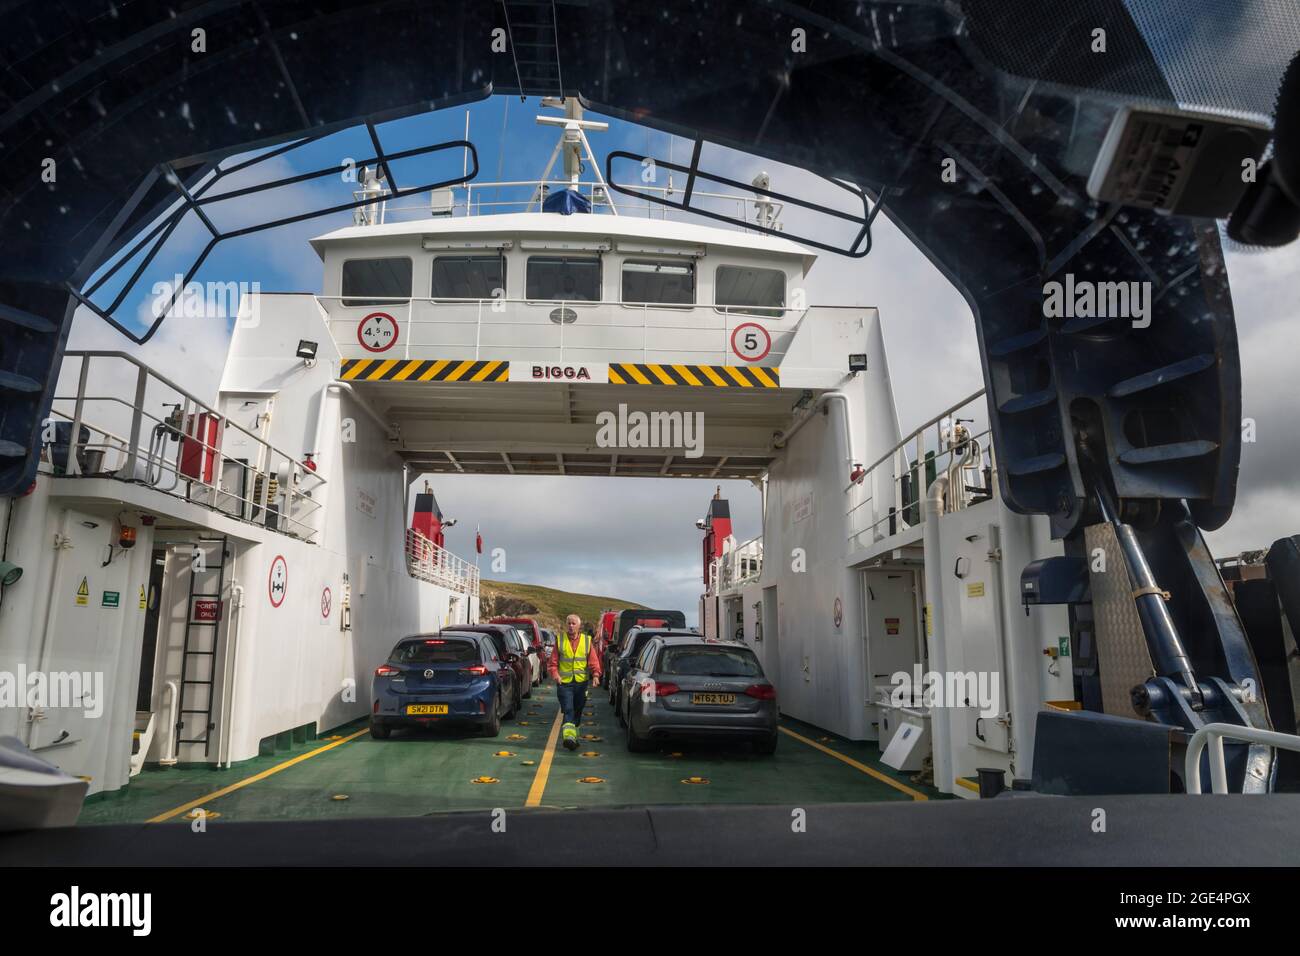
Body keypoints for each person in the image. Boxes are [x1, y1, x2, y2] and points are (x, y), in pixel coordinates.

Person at [548, 613, 601, 750]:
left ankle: (574, 738)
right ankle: (568, 738)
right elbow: (552, 663)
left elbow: (593, 661)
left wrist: (595, 675)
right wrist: (556, 675)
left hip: (581, 684)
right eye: (569, 623)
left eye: (573, 624)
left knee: (578, 711)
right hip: (564, 683)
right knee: (568, 709)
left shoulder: (586, 641)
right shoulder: (560, 640)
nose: (571, 626)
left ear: (579, 626)